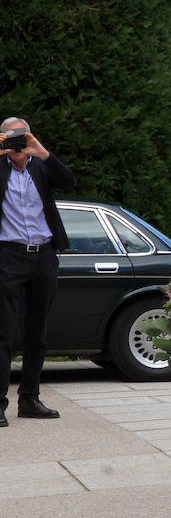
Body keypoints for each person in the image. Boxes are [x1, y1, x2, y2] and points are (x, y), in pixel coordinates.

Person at [0, 117, 75, 427]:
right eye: (10, 138)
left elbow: (69, 181)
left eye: (22, 136)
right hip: (8, 257)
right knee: (2, 333)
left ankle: (29, 399)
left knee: (37, 333)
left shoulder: (41, 167)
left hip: (44, 256)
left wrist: (43, 152)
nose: (18, 144)